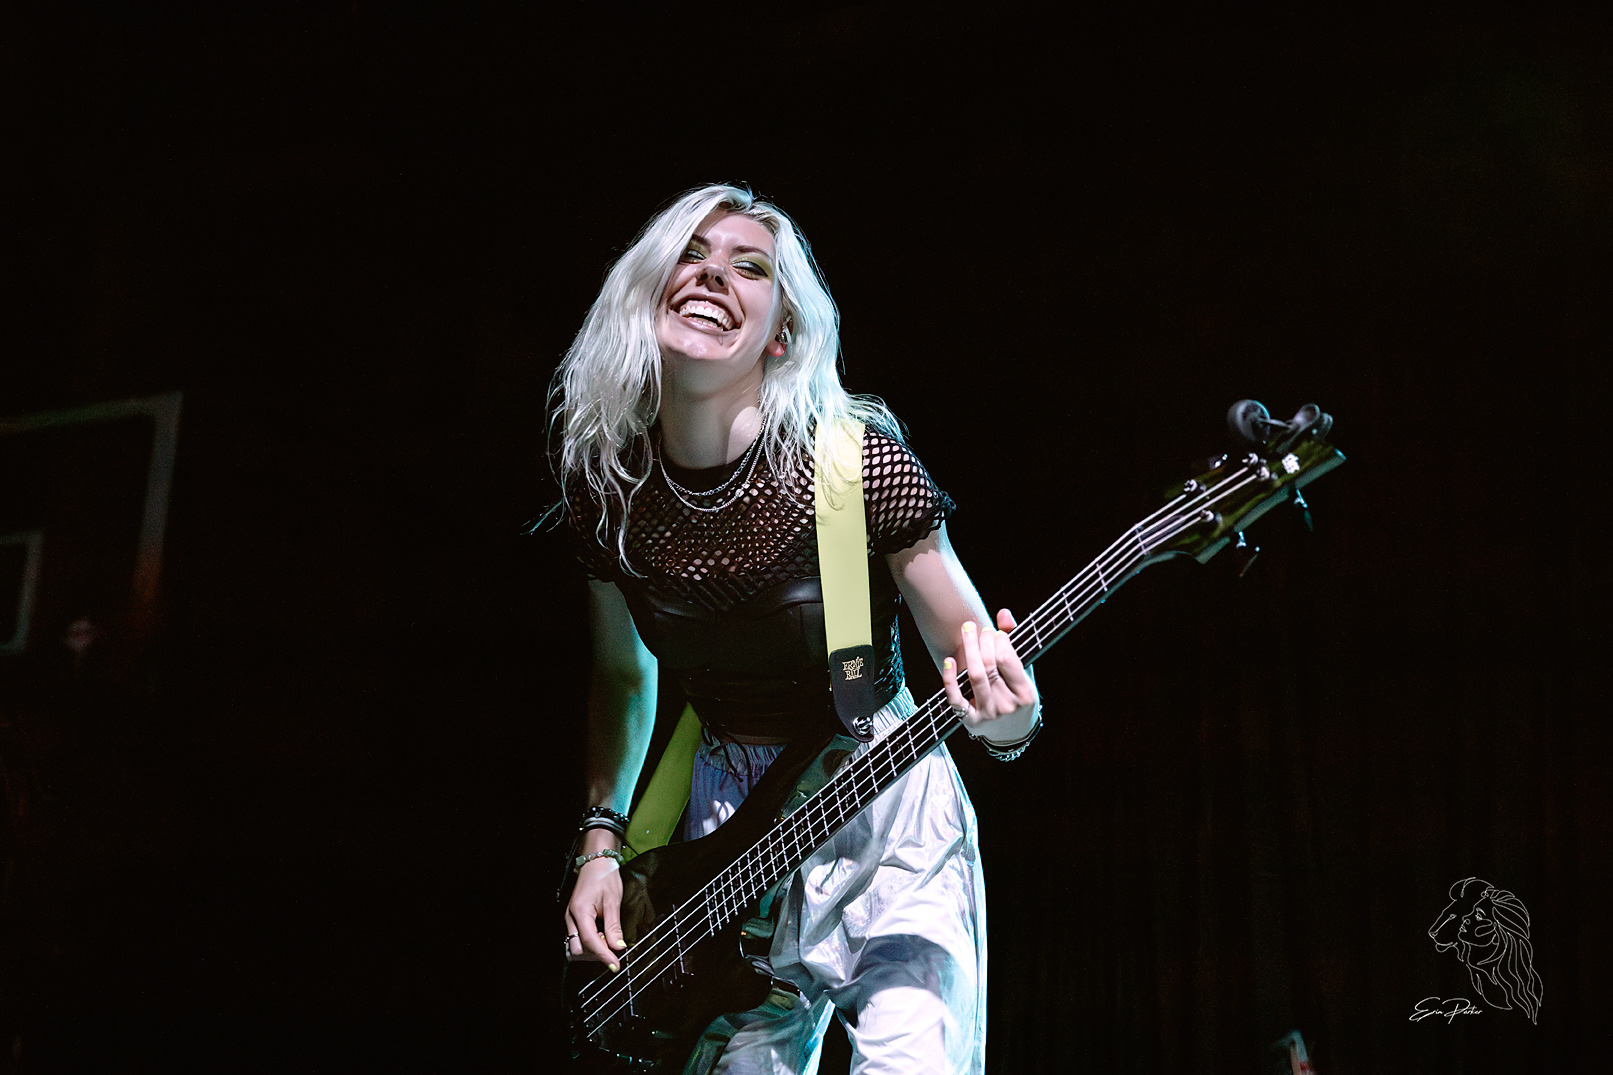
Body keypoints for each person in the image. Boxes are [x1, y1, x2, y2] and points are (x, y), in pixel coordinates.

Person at [553, 184, 1041, 1074]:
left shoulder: (855, 464)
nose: (712, 274)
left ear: (780, 333)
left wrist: (1011, 716)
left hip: (884, 803)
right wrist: (600, 845)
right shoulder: (609, 490)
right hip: (726, 833)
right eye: (692, 254)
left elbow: (987, 683)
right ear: (648, 288)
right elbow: (623, 676)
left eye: (749, 267)